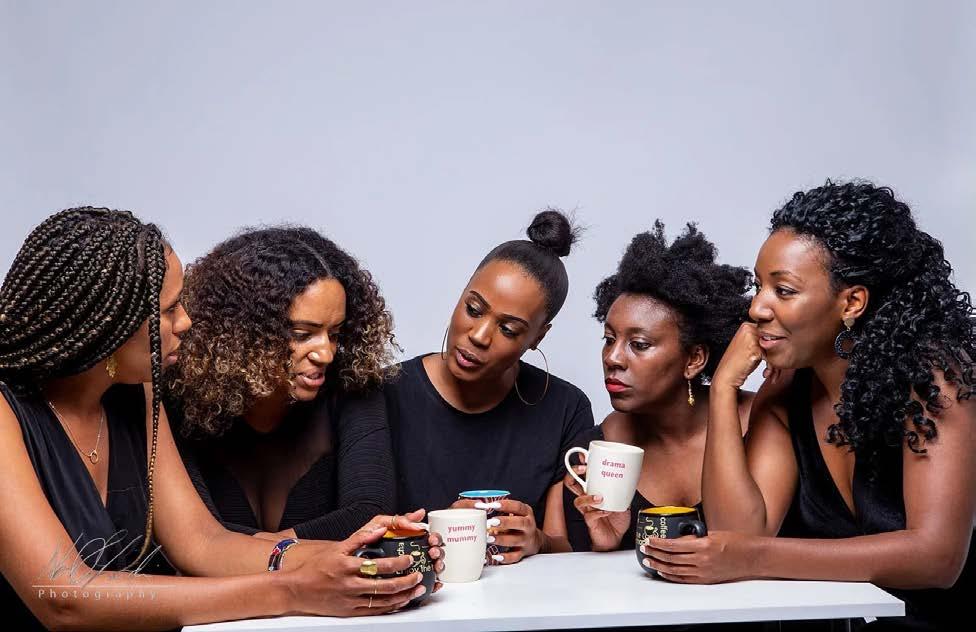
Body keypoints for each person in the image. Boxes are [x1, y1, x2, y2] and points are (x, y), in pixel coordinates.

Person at [0, 208, 442, 630]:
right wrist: (291, 590)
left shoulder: (139, 394)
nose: (187, 322)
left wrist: (356, 554)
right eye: (170, 310)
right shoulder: (6, 411)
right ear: (107, 323)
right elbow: (64, 597)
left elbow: (202, 544)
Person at [643, 182, 975, 631]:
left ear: (851, 302)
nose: (757, 308)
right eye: (759, 286)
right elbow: (739, 532)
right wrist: (723, 388)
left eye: (783, 290)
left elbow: (936, 558)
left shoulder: (934, 379)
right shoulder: (786, 392)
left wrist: (756, 557)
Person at [385, 208, 594, 563]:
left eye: (508, 329)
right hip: (412, 594)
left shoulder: (565, 408)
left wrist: (537, 540)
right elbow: (353, 532)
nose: (479, 336)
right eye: (473, 309)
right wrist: (438, 532)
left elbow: (566, 546)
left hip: (522, 598)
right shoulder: (384, 393)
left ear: (537, 337)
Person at [170, 227, 398, 541]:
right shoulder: (179, 399)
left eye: (335, 334)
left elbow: (369, 511)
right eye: (303, 335)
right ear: (242, 332)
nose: (326, 354)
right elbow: (182, 534)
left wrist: (253, 549)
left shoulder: (352, 387)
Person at [552, 221, 754, 552]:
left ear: (694, 359)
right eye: (609, 339)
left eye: (639, 344)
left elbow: (749, 546)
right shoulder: (594, 451)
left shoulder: (761, 426)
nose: (612, 358)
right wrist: (605, 546)